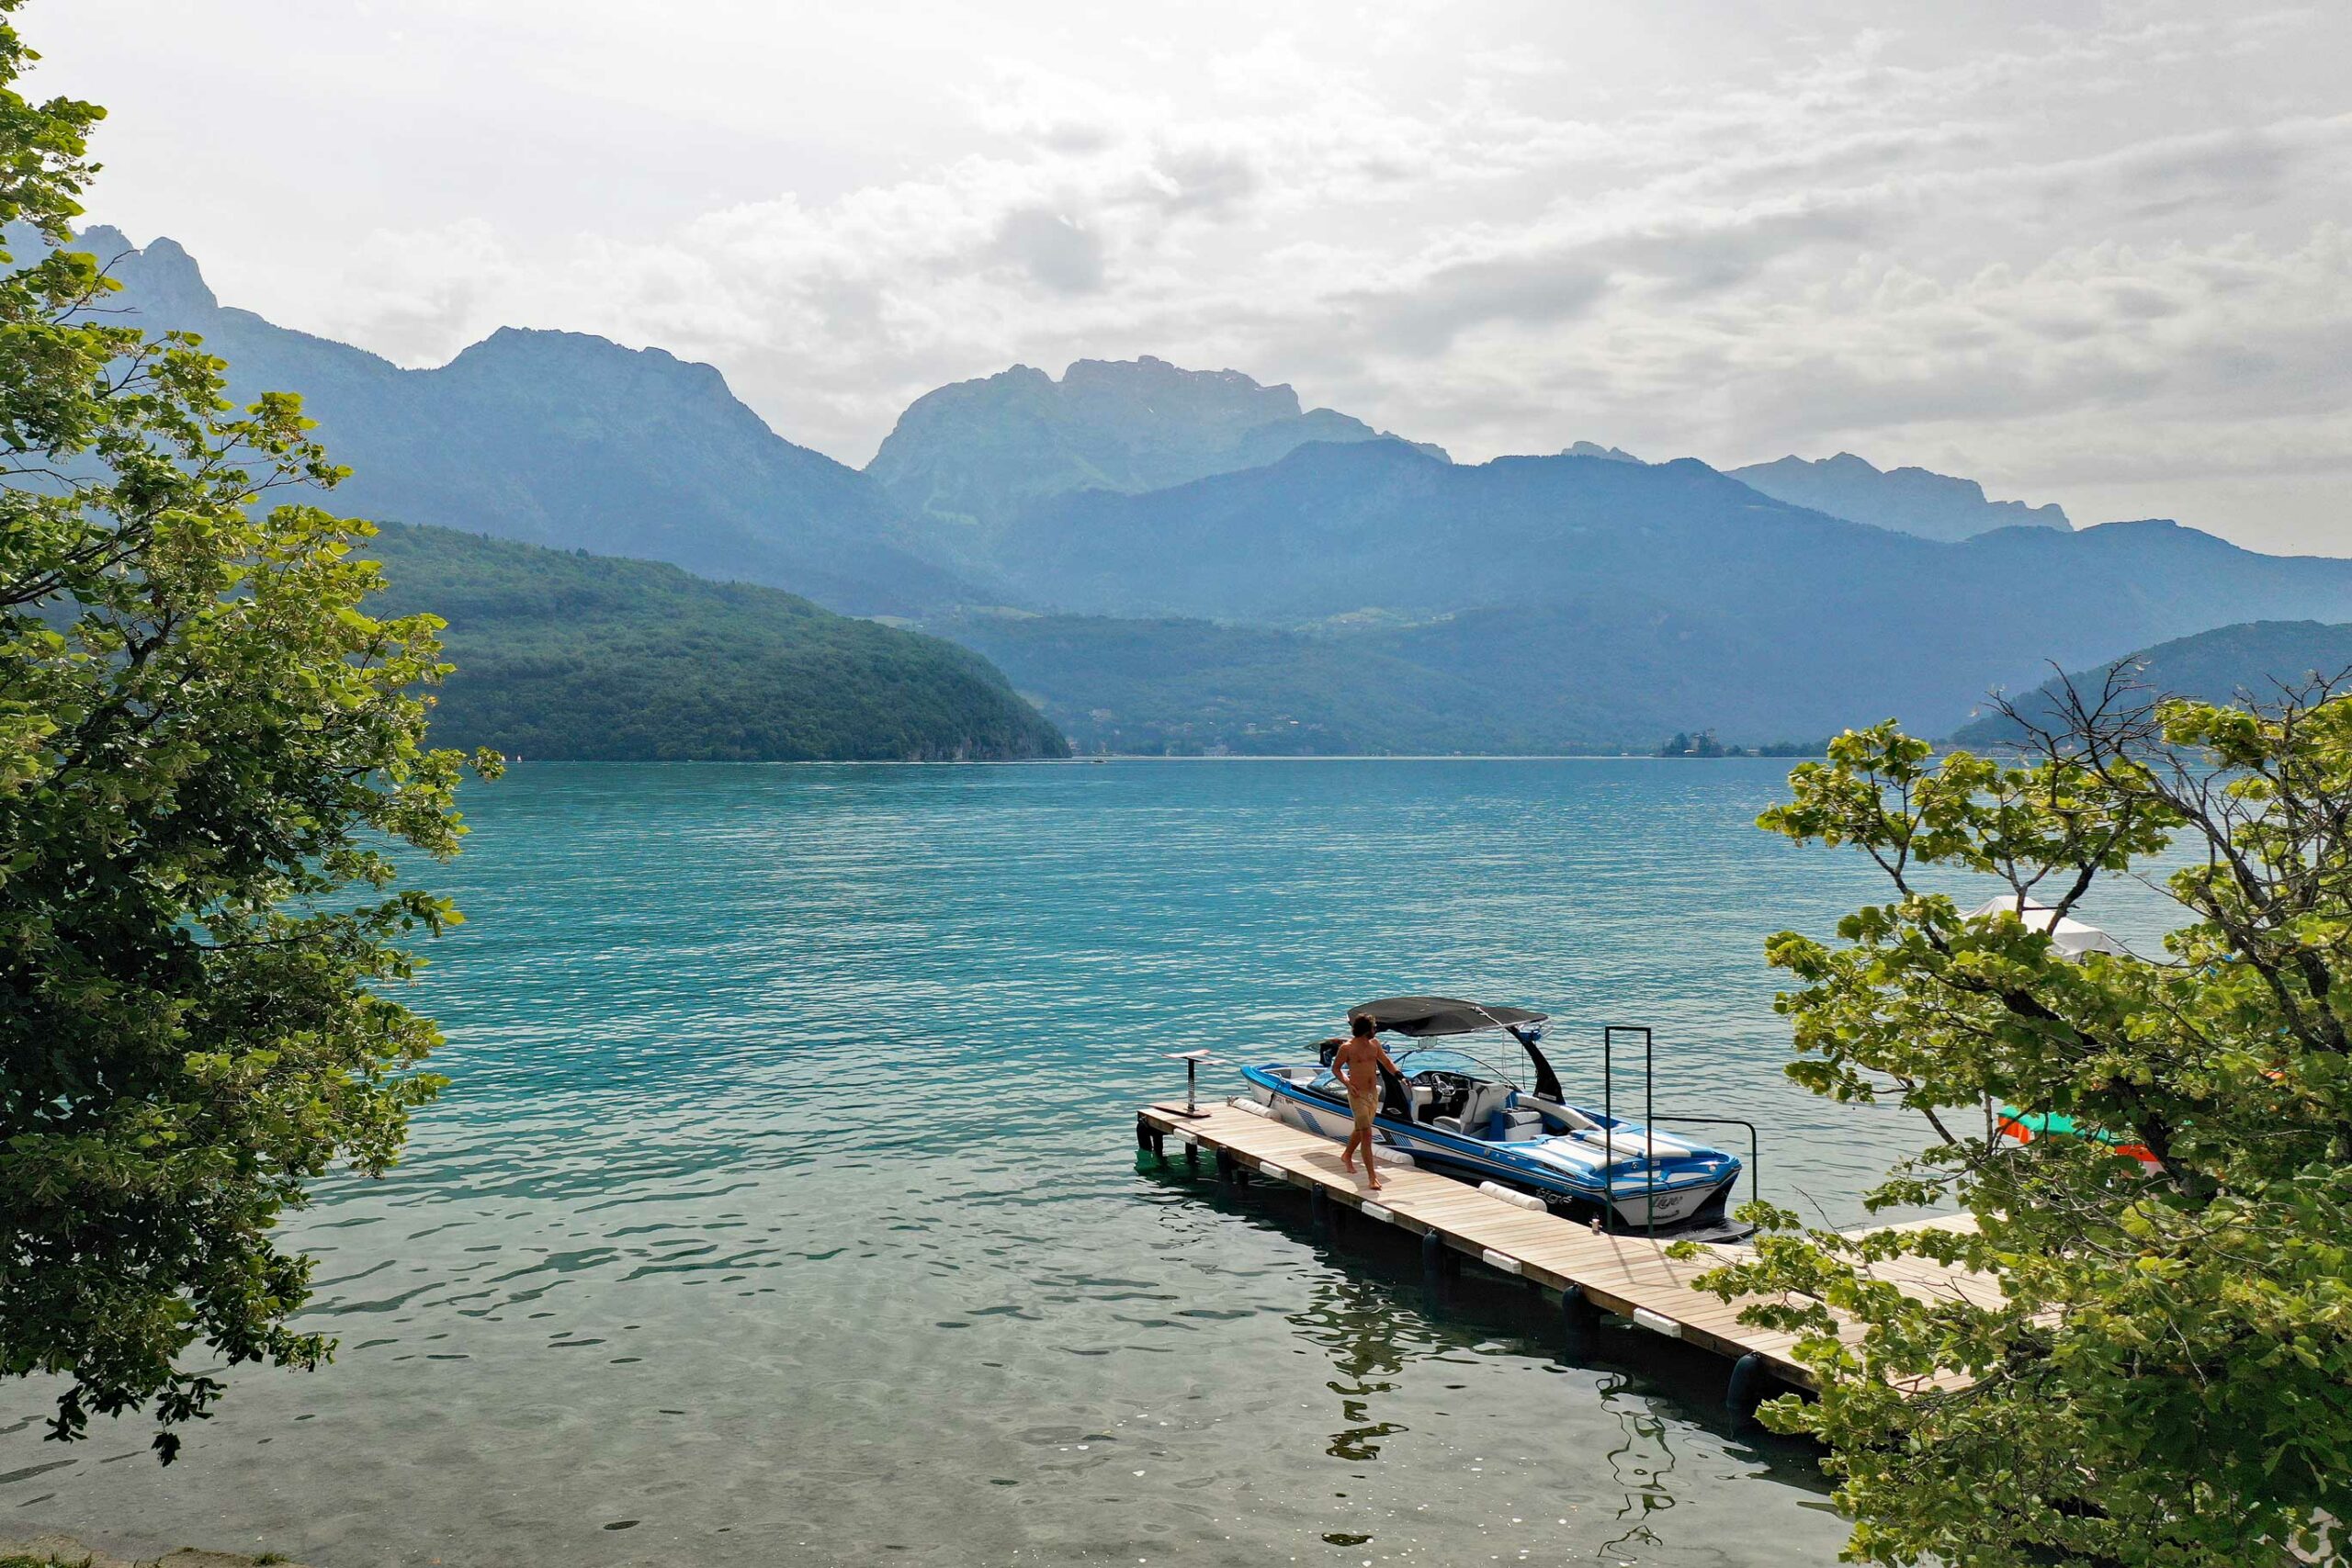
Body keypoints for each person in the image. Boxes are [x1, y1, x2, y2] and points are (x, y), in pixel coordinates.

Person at [1330, 1013, 1404, 1190]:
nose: (1376, 1030)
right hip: (1357, 1095)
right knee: (1367, 1135)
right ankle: (1372, 1178)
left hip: (1372, 1094)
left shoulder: (1375, 1044)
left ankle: (1347, 1155)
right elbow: (1336, 1069)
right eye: (1374, 1027)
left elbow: (1386, 1061)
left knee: (1361, 1130)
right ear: (1366, 1030)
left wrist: (1399, 1075)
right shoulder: (1347, 1048)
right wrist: (1348, 1084)